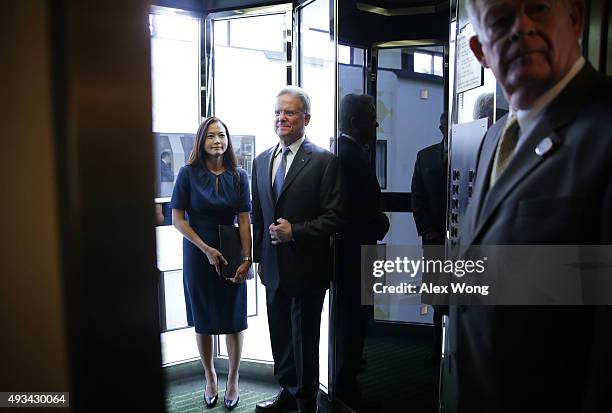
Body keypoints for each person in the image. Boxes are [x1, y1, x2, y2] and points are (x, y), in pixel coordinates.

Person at [450, 0, 612, 411]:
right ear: (480, 52)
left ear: (574, 19)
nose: (521, 27)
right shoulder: (494, 141)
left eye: (538, 8)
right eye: (501, 20)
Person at [252, 86, 346, 413]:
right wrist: (258, 258)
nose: (282, 118)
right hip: (273, 269)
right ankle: (288, 394)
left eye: (289, 112)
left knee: (305, 341)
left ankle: (308, 403)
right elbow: (259, 217)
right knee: (280, 338)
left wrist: (296, 232)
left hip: (307, 269)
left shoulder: (324, 161)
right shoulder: (261, 161)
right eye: (278, 112)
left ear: (306, 118)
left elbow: (335, 217)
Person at [170, 117, 252, 411]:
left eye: (222, 136)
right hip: (196, 252)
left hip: (231, 251)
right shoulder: (187, 174)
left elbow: (244, 220)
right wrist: (205, 249)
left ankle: (233, 378)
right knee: (203, 319)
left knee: (234, 318)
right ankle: (210, 375)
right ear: (201, 141)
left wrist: (247, 258)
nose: (217, 141)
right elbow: (177, 219)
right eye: (211, 136)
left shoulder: (240, 176)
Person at [335, 93, 389, 406]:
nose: (377, 122)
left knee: (356, 316)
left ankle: (348, 375)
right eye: (371, 117)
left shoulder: (349, 152)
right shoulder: (349, 157)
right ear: (356, 122)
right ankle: (346, 385)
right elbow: (353, 212)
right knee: (353, 319)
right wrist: (380, 223)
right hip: (355, 254)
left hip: (357, 253)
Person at [411, 111, 448, 366]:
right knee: (437, 299)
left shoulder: (473, 152)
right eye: (445, 125)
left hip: (465, 240)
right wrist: (427, 230)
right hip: (434, 239)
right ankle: (438, 349)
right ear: (440, 127)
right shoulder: (425, 156)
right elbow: (418, 197)